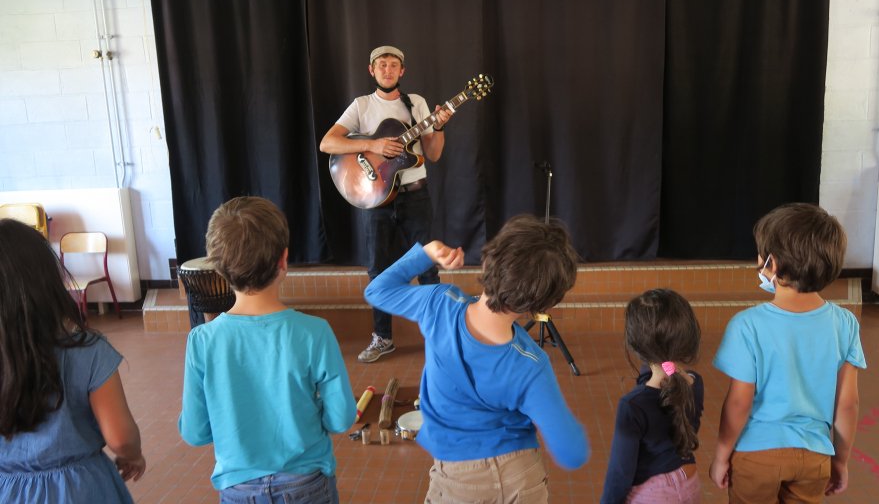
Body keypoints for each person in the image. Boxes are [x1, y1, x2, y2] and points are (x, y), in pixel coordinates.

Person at [364, 214, 590, 503]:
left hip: (456, 479)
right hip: (519, 478)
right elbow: (572, 453)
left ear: (487, 261)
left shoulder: (439, 304)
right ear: (542, 305)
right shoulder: (531, 364)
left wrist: (426, 254)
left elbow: (376, 290)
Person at [178, 196, 356, 502]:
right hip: (306, 484)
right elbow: (340, 419)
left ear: (219, 268)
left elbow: (195, 433)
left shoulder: (201, 341)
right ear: (283, 260)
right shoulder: (314, 332)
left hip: (238, 488)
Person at [709, 203, 867, 503]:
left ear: (773, 263)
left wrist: (721, 455)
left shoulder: (747, 325)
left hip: (757, 454)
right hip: (815, 456)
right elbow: (848, 404)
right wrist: (840, 462)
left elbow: (740, 401)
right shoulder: (845, 323)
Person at [320, 45, 454, 363]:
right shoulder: (362, 106)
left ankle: (437, 337)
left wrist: (439, 126)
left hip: (416, 196)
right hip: (378, 200)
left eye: (394, 65)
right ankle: (382, 338)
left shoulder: (417, 104)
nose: (388, 69)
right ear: (372, 70)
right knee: (378, 270)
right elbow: (328, 143)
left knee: (427, 267)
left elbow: (433, 154)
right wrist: (373, 144)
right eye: (382, 65)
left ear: (402, 71)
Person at [0, 218, 145, 503]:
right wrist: (133, 455)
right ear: (47, 279)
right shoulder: (88, 349)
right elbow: (120, 437)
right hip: (79, 488)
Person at [600, 289, 704, 504]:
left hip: (652, 494)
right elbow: (665, 373)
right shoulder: (694, 382)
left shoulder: (633, 405)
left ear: (636, 346)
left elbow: (620, 473)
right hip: (690, 482)